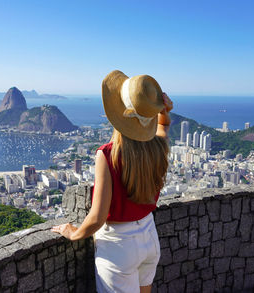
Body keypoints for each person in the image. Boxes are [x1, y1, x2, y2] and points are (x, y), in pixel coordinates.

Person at [51, 70, 172, 293]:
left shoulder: (107, 155)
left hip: (119, 247)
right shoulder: (157, 147)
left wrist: (74, 233)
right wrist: (164, 111)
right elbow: (163, 128)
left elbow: (97, 217)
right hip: (149, 235)